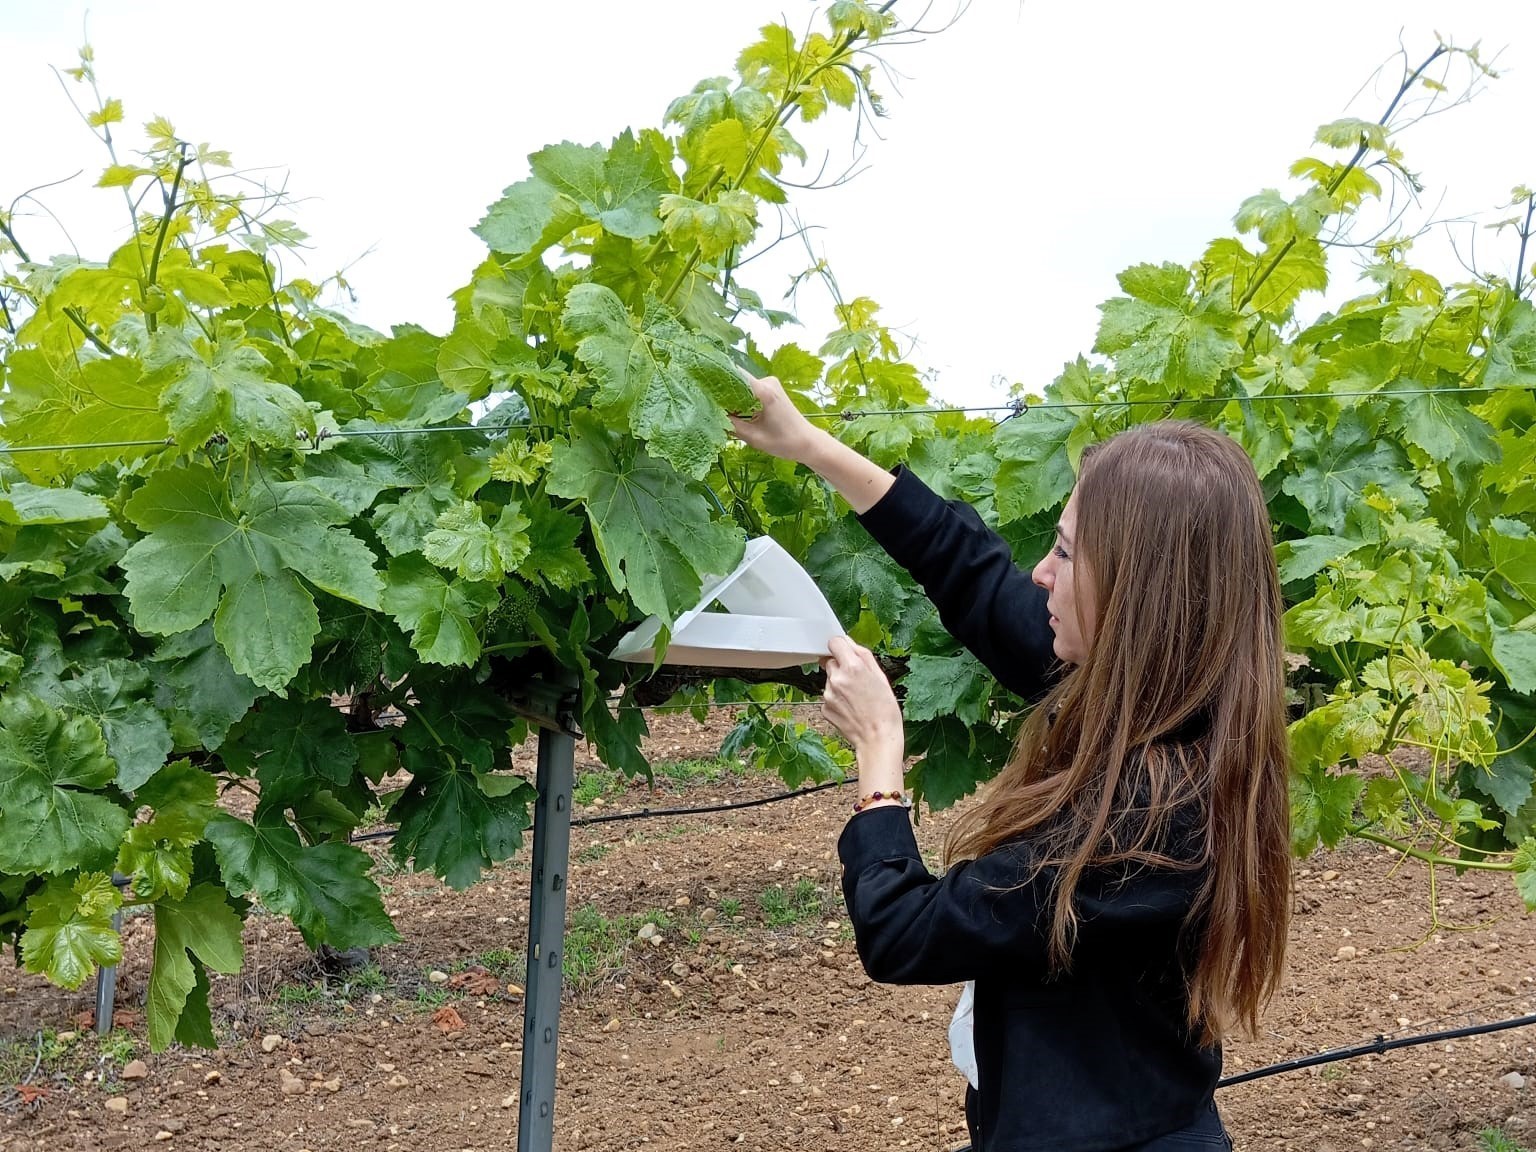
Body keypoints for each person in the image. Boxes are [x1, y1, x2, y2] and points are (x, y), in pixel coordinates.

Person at [728, 375, 1291, 1151]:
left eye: (1065, 552)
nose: (1040, 573)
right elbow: (973, 573)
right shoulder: (1164, 699)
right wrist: (809, 445)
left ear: (1138, 592)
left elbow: (904, 931)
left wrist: (878, 753)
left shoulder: (1152, 819)